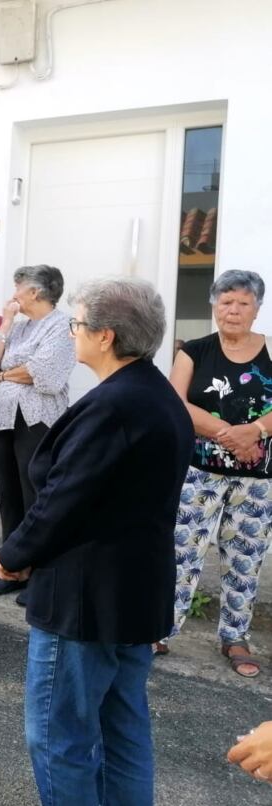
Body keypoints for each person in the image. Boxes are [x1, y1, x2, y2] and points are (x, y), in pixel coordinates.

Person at [0, 278, 193, 806]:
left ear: (105, 336)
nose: (72, 332)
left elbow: (63, 498)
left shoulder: (116, 405)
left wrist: (12, 556)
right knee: (122, 729)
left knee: (60, 738)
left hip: (86, 599)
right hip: (134, 590)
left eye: (77, 325)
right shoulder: (156, 395)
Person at [157, 270, 271, 677]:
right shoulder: (195, 351)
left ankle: (235, 637)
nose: (233, 310)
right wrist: (229, 434)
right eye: (225, 302)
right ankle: (161, 629)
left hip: (257, 481)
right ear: (214, 306)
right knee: (181, 552)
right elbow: (174, 401)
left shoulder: (271, 351)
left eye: (242, 302)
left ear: (257, 308)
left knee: (245, 557)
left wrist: (255, 430)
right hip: (200, 473)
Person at [0, 264, 75, 599]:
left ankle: (41, 574)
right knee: (8, 493)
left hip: (37, 419)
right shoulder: (18, 328)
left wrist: (3, 375)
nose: (13, 293)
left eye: (18, 287)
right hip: (2, 416)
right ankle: (13, 566)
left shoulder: (62, 325)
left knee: (36, 493)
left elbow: (43, 373)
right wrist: (4, 324)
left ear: (35, 292)